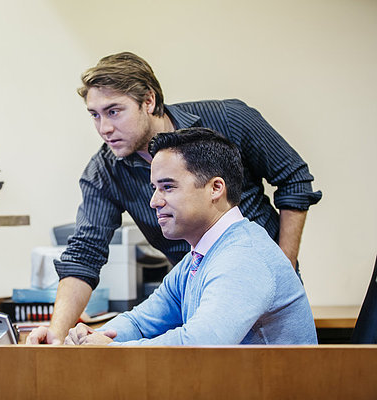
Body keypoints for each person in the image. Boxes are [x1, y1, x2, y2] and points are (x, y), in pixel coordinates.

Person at [26, 52, 321, 345]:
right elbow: (89, 258)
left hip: (247, 277)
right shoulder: (193, 260)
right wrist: (67, 336)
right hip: (208, 283)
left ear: (149, 101)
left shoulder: (228, 120)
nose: (104, 128)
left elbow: (294, 179)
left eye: (114, 111)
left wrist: (280, 265)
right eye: (95, 115)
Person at [64, 128, 318, 345]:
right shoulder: (199, 258)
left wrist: (112, 349)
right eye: (155, 188)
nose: (154, 202)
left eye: (168, 187)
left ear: (215, 188)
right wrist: (93, 336)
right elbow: (140, 322)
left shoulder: (243, 257)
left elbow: (198, 344)